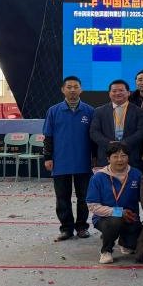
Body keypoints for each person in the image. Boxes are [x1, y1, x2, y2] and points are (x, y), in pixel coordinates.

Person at [43, 76, 96, 242]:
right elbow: (48, 137)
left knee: (84, 197)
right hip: (60, 161)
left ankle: (82, 227)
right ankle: (66, 229)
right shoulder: (53, 111)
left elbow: (94, 138)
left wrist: (95, 159)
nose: (72, 90)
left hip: (83, 161)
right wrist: (48, 157)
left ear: (81, 89)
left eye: (76, 87)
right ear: (63, 90)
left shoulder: (90, 111)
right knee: (62, 198)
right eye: (69, 87)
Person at [86, 141, 143, 264]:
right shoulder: (98, 177)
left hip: (130, 217)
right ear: (108, 159)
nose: (120, 160)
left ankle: (125, 242)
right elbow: (93, 206)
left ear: (128, 157)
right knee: (115, 221)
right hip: (105, 218)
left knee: (134, 246)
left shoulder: (136, 174)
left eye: (123, 156)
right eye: (115, 156)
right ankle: (106, 250)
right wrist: (118, 212)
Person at [90, 79, 143, 169]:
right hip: (106, 156)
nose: (117, 93)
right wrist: (109, 144)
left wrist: (124, 143)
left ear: (128, 93)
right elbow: (94, 132)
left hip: (131, 156)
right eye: (114, 91)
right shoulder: (99, 111)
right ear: (109, 94)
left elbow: (141, 132)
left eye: (121, 90)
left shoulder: (139, 111)